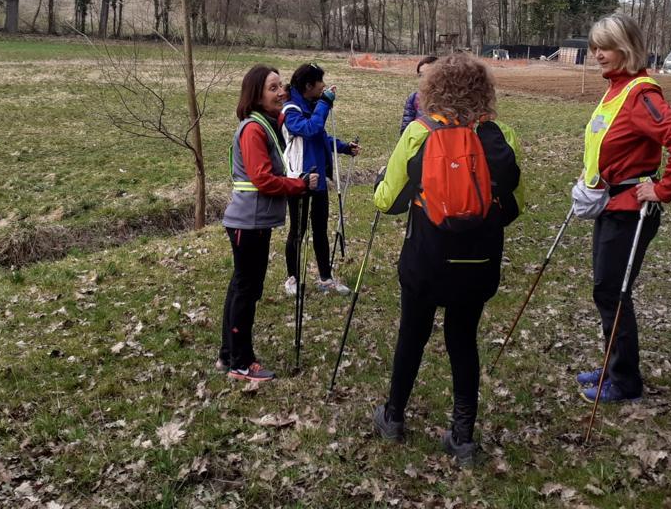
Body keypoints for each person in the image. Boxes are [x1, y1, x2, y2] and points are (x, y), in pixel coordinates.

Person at [371, 54, 524, 467]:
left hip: (426, 259)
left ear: (432, 89)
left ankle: (393, 417)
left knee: (412, 334)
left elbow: (388, 202)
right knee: (463, 340)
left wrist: (383, 184)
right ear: (484, 91)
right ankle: (462, 436)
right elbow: (516, 205)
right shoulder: (500, 135)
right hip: (478, 262)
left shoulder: (418, 133)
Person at [575, 14, 671, 403]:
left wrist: (662, 190)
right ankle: (612, 367)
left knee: (613, 292)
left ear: (626, 48)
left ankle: (625, 382)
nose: (598, 54)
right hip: (610, 204)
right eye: (595, 47)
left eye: (606, 47)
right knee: (606, 290)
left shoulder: (641, 95)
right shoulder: (617, 89)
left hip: (631, 211)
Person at [218, 64, 317, 382]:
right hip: (248, 222)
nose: (281, 92)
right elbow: (262, 179)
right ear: (256, 94)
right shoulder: (253, 129)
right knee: (246, 290)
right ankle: (241, 363)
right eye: (273, 88)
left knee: (241, 287)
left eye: (281, 86)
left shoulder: (266, 124)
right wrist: (300, 185)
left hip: (252, 221)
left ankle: (228, 355)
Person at [281, 63, 360, 296]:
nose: (324, 86)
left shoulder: (311, 106)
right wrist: (324, 103)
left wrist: (344, 147)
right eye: (320, 82)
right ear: (308, 86)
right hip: (299, 179)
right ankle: (292, 279)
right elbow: (310, 129)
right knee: (297, 231)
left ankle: (326, 278)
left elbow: (321, 137)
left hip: (319, 180)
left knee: (320, 230)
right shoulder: (290, 110)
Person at [399, 55, 439, 134]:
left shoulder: (451, 100)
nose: (424, 79)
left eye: (428, 74)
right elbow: (406, 130)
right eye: (421, 75)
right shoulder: (414, 98)